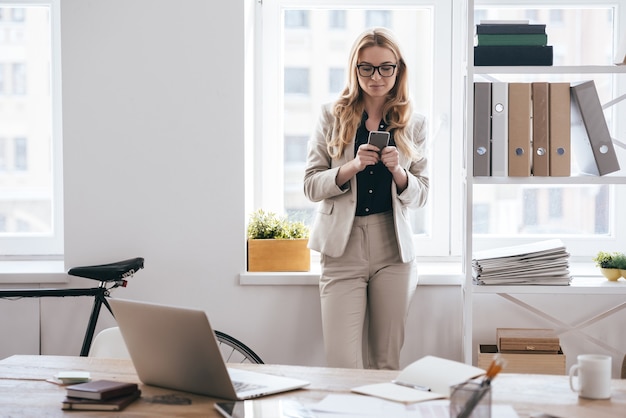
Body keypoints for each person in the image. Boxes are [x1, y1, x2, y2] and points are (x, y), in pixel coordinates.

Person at [303, 27, 429, 370]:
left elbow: (422, 195)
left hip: (393, 248)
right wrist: (352, 166)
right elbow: (311, 185)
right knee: (343, 365)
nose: (376, 77)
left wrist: (400, 174)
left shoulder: (414, 123)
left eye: (386, 67)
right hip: (342, 249)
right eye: (366, 67)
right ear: (354, 69)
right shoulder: (332, 115)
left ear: (398, 69)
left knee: (386, 363)